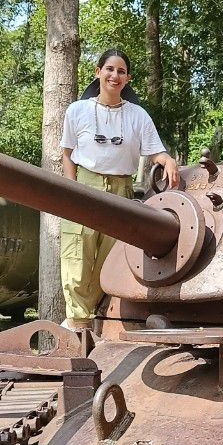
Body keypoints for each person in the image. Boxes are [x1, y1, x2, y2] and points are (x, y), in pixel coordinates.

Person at [59, 49, 179, 332]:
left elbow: (156, 153)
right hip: (85, 187)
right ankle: (77, 324)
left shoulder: (137, 115)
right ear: (98, 72)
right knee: (77, 255)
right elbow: (67, 153)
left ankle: (91, 321)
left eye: (121, 71)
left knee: (109, 261)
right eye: (110, 69)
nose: (115, 76)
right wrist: (72, 188)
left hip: (121, 189)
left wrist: (169, 160)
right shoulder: (78, 110)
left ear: (128, 79)